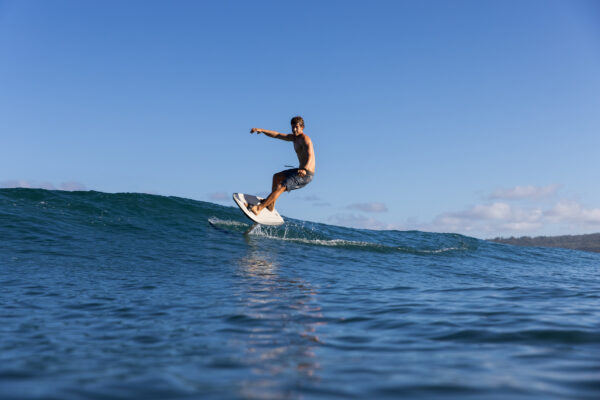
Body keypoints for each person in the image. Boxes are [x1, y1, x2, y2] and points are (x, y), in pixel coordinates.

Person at [248, 116, 315, 215]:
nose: (294, 129)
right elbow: (277, 134)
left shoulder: (306, 139)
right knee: (276, 177)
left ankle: (259, 209)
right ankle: (270, 206)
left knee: (281, 186)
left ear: (302, 127)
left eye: (296, 127)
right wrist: (262, 130)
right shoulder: (293, 138)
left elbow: (310, 156)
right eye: (292, 127)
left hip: (306, 174)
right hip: (299, 171)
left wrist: (304, 169)